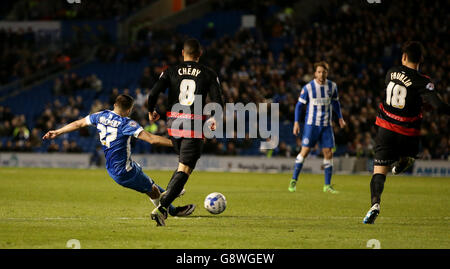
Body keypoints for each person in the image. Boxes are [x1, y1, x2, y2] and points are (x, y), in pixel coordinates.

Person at [43, 94, 195, 225]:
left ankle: (173, 198)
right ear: (129, 110)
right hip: (125, 171)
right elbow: (152, 140)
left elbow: (79, 123)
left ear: (115, 104)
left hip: (115, 167)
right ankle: (167, 210)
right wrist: (178, 144)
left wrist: (57, 131)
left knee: (151, 184)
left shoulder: (100, 115)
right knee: (153, 191)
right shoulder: (126, 123)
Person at [363, 41, 450, 224]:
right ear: (421, 60)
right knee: (409, 155)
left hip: (385, 129)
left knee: (379, 171)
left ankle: (375, 204)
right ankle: (405, 161)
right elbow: (438, 106)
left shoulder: (390, 73)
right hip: (408, 134)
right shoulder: (423, 81)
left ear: (404, 57)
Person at [147, 38, 224, 226]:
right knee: (185, 169)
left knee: (182, 165)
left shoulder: (170, 71)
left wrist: (151, 111)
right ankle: (162, 208)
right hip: (194, 124)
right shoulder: (208, 73)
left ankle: (170, 194)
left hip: (173, 125)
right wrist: (214, 119)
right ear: (200, 53)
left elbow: (153, 94)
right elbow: (217, 101)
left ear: (183, 52)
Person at [289, 61, 346, 193]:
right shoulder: (308, 87)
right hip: (311, 126)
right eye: (319, 72)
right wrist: (296, 122)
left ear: (327, 72)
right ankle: (293, 180)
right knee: (305, 152)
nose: (321, 74)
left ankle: (327, 185)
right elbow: (299, 105)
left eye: (324, 72)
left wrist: (340, 118)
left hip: (326, 125)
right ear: (315, 73)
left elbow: (336, 103)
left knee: (328, 153)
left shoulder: (332, 86)